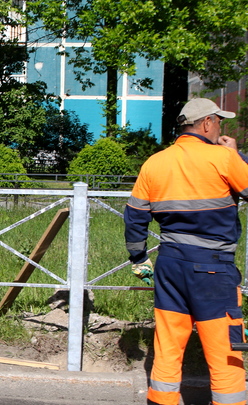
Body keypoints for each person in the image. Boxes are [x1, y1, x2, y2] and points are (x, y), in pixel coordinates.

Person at [124, 98, 248, 405]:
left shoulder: (155, 162)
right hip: (213, 268)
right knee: (224, 350)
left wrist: (139, 258)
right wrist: (237, 154)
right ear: (206, 123)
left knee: (167, 343)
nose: (221, 127)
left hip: (169, 264)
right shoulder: (222, 158)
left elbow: (134, 216)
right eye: (219, 121)